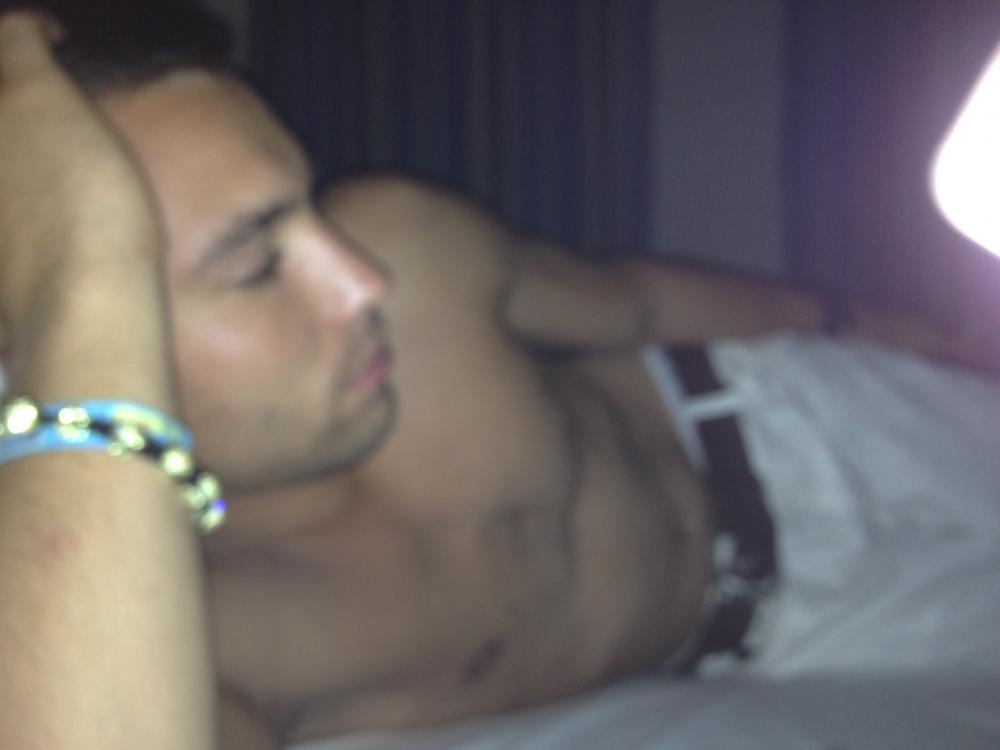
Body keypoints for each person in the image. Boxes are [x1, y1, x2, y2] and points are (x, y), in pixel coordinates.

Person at [2, 3, 998, 749]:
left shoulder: (401, 237)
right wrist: (78, 286)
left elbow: (635, 301)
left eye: (306, 203)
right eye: (258, 262)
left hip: (796, 432)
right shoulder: (199, 637)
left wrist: (890, 327)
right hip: (790, 661)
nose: (362, 278)